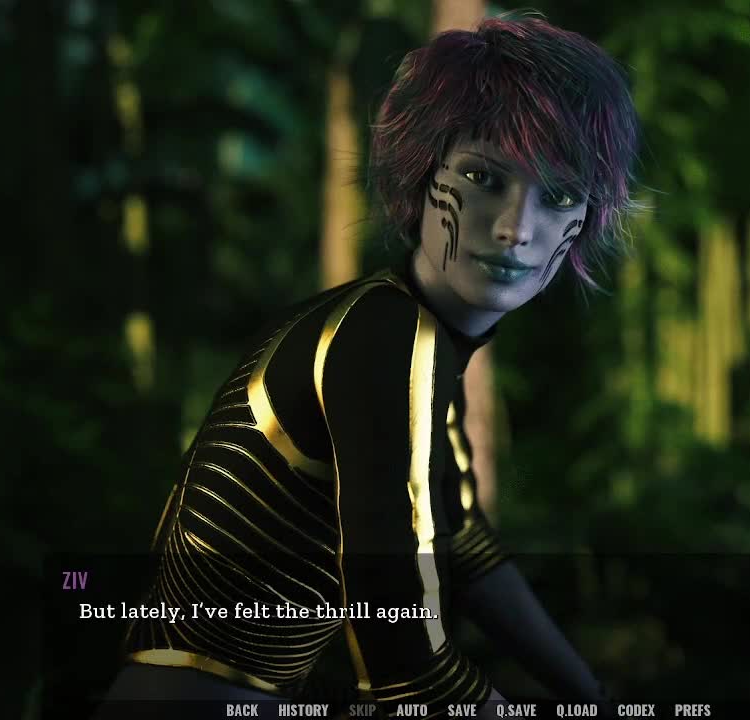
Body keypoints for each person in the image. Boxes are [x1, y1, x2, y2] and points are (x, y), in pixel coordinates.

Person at [97, 13, 641, 719]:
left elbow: (464, 545)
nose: (515, 228)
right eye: (482, 176)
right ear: (422, 173)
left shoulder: (413, 338)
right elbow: (403, 662)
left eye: (560, 195)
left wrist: (594, 699)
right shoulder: (385, 336)